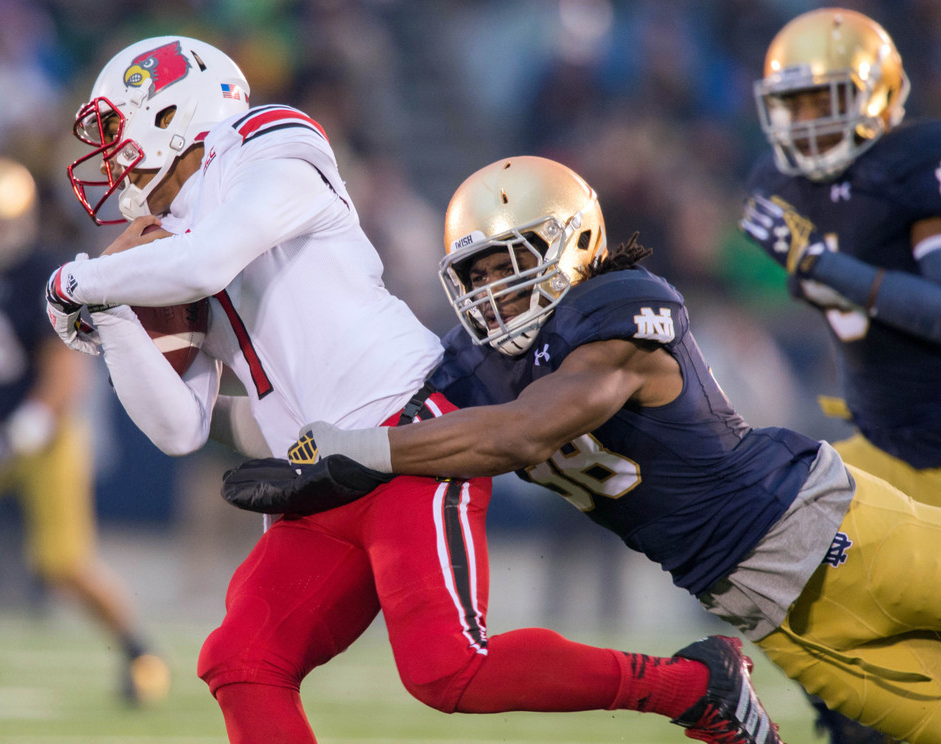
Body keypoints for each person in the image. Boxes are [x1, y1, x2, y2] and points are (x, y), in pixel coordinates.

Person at [47, 35, 786, 744]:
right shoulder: (163, 248)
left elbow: (206, 263)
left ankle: (696, 685)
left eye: (114, 129)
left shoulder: (268, 144)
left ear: (173, 110)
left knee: (448, 671)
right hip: (317, 475)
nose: (108, 157)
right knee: (240, 660)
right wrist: (106, 315)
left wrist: (79, 280)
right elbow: (179, 428)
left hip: (405, 437)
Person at [235, 155, 941, 744]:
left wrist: (359, 449)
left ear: (570, 244)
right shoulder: (472, 366)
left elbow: (530, 429)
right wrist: (285, 444)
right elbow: (399, 424)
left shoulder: (618, 303)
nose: (494, 291)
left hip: (832, 531)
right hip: (763, 612)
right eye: (476, 275)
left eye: (508, 262)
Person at [740, 8, 941, 742]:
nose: (805, 122)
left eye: (824, 101)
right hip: (888, 449)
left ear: (880, 96)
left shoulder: (915, 166)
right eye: (792, 104)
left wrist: (832, 269)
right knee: (771, 569)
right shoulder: (784, 186)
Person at [0, 156, 169, 705]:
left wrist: (26, 430)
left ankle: (138, 651)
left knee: (62, 563)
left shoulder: (41, 273)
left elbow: (64, 368)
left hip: (43, 432)